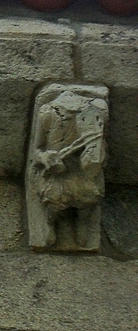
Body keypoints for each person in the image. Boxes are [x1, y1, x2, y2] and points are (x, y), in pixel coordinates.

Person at [31, 90, 107, 248]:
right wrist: (46, 158)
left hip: (82, 170)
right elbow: (37, 151)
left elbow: (100, 151)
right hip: (57, 172)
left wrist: (99, 153)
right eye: (65, 114)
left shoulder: (93, 116)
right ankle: (49, 222)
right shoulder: (47, 114)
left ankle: (82, 221)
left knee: (89, 194)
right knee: (54, 198)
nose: (68, 116)